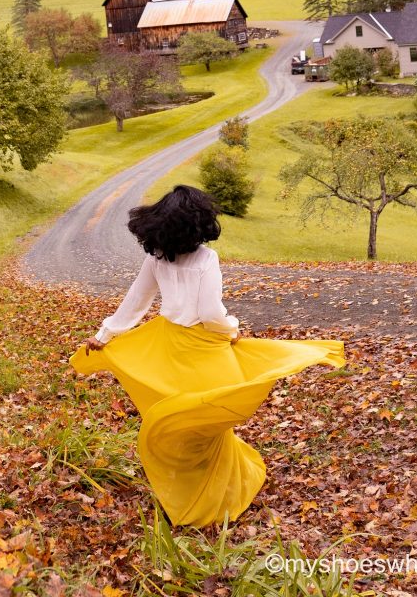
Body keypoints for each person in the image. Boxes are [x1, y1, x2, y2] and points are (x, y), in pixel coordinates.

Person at [69, 184, 345, 528]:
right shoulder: (205, 259)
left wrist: (104, 335)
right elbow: (211, 312)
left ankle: (188, 492)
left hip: (168, 346)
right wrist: (232, 329)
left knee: (184, 420)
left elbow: (136, 303)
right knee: (209, 418)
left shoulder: (155, 256)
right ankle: (212, 497)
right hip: (203, 346)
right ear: (199, 224)